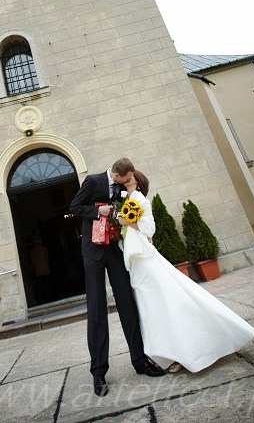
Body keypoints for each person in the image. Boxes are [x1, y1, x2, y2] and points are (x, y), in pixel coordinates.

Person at [118, 170, 254, 373]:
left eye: (130, 176)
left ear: (137, 180)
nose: (127, 179)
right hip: (135, 259)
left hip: (144, 258)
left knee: (163, 301)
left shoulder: (140, 200)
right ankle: (166, 352)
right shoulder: (126, 199)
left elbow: (149, 229)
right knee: (150, 305)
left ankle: (182, 350)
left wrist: (126, 221)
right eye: (124, 177)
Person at [70, 157, 165, 398]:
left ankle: (140, 361)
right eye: (126, 179)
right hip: (93, 250)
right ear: (116, 174)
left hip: (115, 249)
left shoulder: (125, 186)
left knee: (128, 303)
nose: (127, 182)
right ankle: (98, 372)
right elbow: (75, 207)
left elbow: (132, 209)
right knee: (97, 308)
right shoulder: (92, 181)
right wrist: (97, 210)